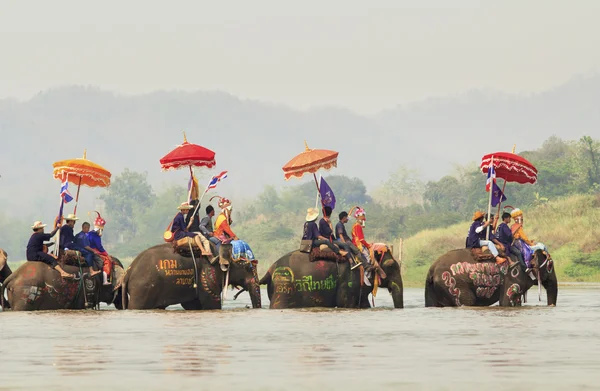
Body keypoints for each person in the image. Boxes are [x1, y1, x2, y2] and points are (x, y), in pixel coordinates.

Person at [88, 212, 114, 285]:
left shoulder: (89, 233)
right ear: (100, 228)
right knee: (107, 261)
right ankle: (105, 280)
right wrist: (107, 254)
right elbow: (100, 247)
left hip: (89, 250)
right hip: (95, 251)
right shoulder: (96, 236)